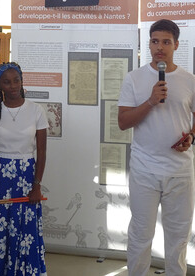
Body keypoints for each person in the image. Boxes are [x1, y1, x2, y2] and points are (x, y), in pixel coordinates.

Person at [118, 19, 195, 276]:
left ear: (176, 45)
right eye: (154, 41)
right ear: (148, 44)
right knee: (140, 236)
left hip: (180, 172)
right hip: (144, 170)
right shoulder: (135, 79)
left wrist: (192, 136)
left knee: (178, 240)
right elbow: (122, 122)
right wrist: (151, 101)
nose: (159, 47)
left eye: (165, 42)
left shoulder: (189, 80)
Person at [0, 62, 48, 275]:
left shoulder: (36, 110)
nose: (13, 86)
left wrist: (37, 185)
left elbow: (42, 152)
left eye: (16, 80)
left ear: (22, 81)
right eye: (6, 82)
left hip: (26, 177)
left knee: (24, 230)